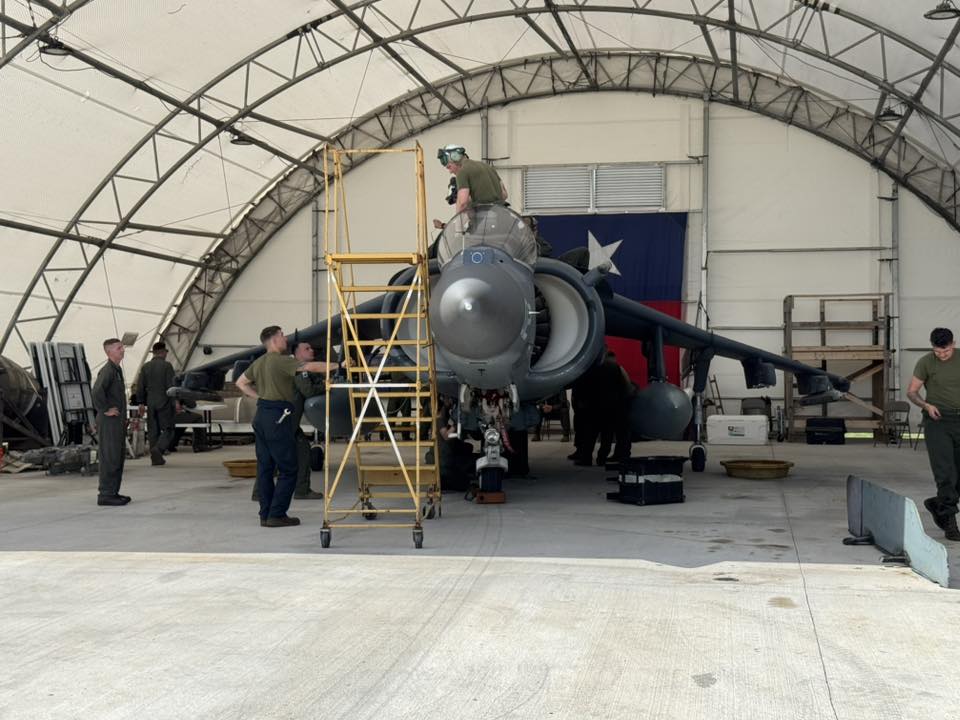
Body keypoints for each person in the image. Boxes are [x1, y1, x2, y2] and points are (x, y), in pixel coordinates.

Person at [235, 326, 337, 528]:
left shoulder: (260, 362)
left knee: (265, 468)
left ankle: (265, 515)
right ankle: (277, 514)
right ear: (273, 340)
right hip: (278, 417)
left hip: (262, 415)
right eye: (282, 335)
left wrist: (260, 397)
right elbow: (309, 368)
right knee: (289, 468)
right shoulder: (281, 361)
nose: (285, 338)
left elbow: (241, 382)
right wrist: (337, 364)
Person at [907, 327, 960, 541]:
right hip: (938, 421)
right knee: (945, 472)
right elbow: (912, 391)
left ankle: (937, 504)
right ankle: (949, 522)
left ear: (953, 344)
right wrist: (926, 405)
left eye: (945, 351)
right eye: (938, 352)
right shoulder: (926, 362)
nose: (942, 355)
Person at [432, 144, 507, 230]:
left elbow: (463, 203)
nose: (450, 171)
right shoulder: (488, 167)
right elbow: (504, 194)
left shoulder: (462, 172)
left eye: (449, 167)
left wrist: (458, 231)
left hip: (482, 226)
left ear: (455, 158)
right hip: (502, 222)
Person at [91, 338, 130, 506]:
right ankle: (105, 494)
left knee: (117, 455)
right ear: (109, 352)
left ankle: (113, 492)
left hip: (117, 421)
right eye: (119, 348)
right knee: (110, 456)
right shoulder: (107, 371)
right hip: (109, 421)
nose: (122, 350)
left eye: (122, 347)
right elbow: (96, 392)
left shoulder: (116, 370)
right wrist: (105, 409)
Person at [291, 342, 325, 500]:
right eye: (307, 349)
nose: (312, 350)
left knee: (270, 457)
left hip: (279, 420)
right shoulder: (299, 369)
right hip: (288, 423)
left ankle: (259, 493)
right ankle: (302, 490)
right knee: (303, 453)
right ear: (297, 353)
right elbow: (309, 391)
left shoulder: (295, 367)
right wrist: (327, 385)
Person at [136, 341, 176, 466]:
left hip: (150, 402)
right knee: (169, 429)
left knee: (153, 430)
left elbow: (140, 386)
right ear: (163, 352)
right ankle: (158, 449)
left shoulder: (145, 366)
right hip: (165, 401)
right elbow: (171, 386)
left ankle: (155, 459)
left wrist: (141, 403)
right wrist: (176, 402)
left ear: (153, 353)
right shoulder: (167, 366)